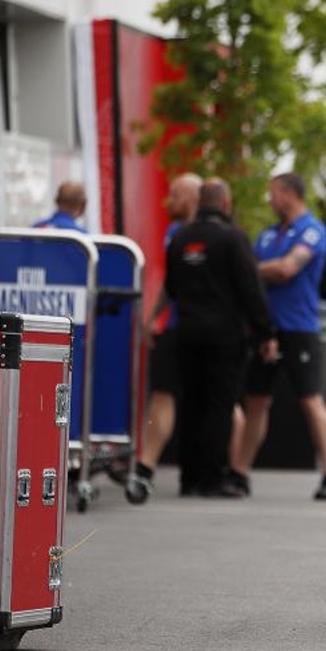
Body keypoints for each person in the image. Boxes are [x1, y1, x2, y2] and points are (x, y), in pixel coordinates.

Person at [165, 179, 277, 498]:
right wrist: (265, 331)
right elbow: (250, 289)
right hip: (224, 336)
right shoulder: (233, 238)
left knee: (191, 403)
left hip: (186, 332)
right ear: (226, 204)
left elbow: (172, 287)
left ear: (200, 203)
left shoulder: (180, 238)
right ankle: (213, 479)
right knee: (219, 405)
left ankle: (188, 477)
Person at [233, 172, 326, 501]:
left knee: (310, 400)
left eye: (274, 193)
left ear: (290, 194)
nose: (270, 199)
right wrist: (257, 270)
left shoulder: (312, 229)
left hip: (299, 329)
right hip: (267, 328)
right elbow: (261, 271)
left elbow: (286, 270)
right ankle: (239, 473)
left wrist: (251, 270)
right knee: (256, 401)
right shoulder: (267, 236)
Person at [126, 173, 203, 501]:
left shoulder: (219, 235)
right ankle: (144, 468)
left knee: (221, 402)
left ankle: (236, 469)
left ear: (191, 199)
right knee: (162, 394)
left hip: (207, 331)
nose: (167, 201)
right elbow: (170, 283)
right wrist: (153, 318)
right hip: (175, 328)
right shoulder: (174, 232)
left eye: (174, 195)